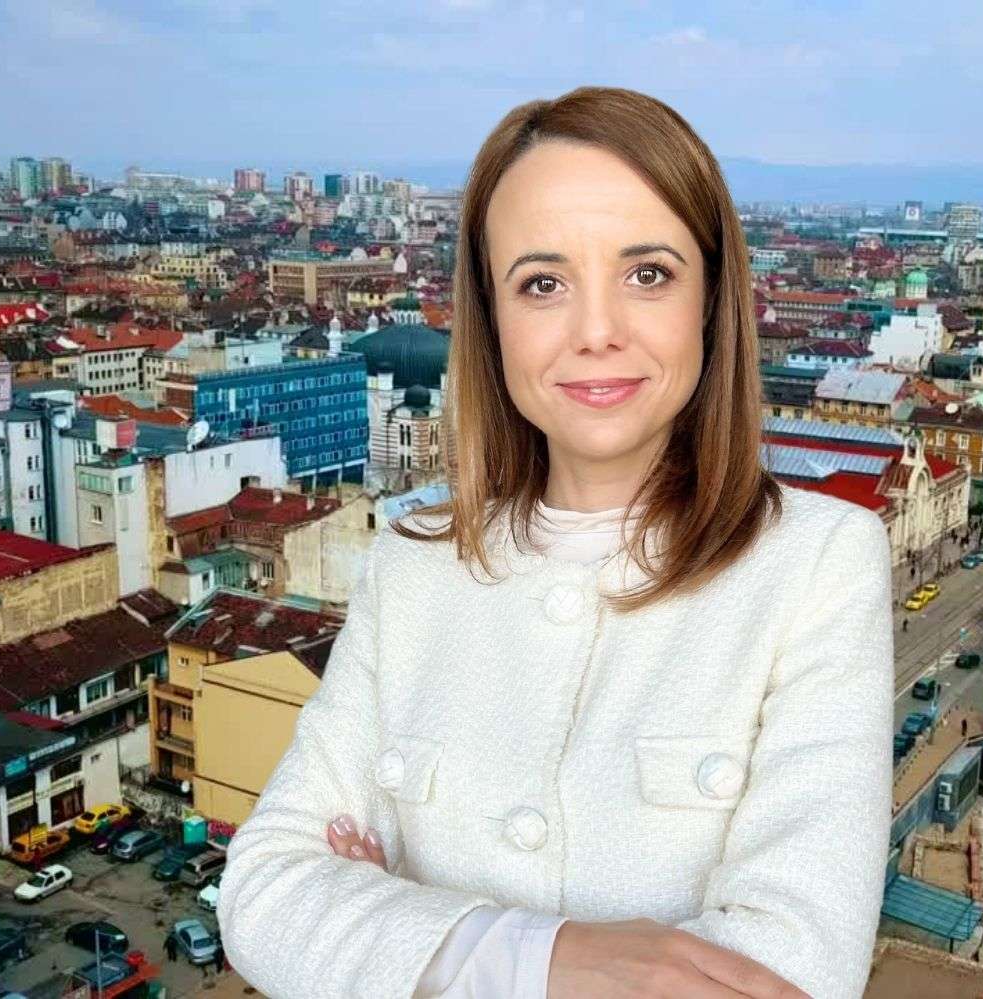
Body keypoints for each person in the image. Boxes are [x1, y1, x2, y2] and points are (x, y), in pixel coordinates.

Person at [215, 87, 893, 999]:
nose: (596, 331)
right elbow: (262, 896)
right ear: (492, 321)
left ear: (710, 299)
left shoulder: (818, 563)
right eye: (543, 283)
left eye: (647, 273)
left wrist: (402, 937)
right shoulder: (411, 566)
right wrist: (550, 958)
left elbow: (792, 971)